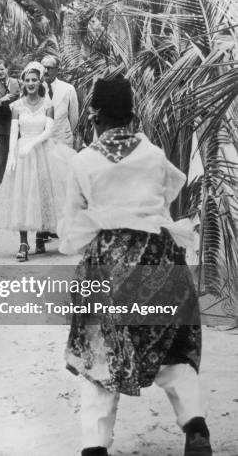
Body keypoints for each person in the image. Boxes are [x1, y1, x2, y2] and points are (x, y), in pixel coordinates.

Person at [59, 77, 210, 456]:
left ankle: (95, 445)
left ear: (94, 115)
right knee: (172, 349)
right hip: (159, 259)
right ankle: (195, 427)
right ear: (131, 115)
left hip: (108, 264)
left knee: (99, 353)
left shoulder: (84, 161)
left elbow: (71, 226)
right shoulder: (153, 154)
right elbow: (166, 200)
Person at [0, 62, 74, 258]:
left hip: (42, 150)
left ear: (40, 82)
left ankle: (40, 235)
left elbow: (49, 130)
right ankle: (23, 243)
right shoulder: (17, 106)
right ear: (23, 82)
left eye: (34, 80)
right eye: (27, 80)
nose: (31, 83)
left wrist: (33, 144)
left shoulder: (48, 104)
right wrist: (12, 154)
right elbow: (13, 132)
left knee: (41, 193)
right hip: (23, 153)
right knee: (23, 195)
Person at [0, 59, 21, 183]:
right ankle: (3, 185)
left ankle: (16, 186)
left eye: (2, 69)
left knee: (17, 158)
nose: (0, 72)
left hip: (17, 127)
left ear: (7, 69)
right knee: (2, 160)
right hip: (1, 128)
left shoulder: (18, 82)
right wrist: (1, 100)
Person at [41, 55, 79, 149]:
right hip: (42, 141)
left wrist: (64, 132)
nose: (45, 71)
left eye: (49, 68)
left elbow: (74, 117)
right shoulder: (35, 89)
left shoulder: (68, 89)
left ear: (57, 70)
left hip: (63, 140)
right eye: (43, 68)